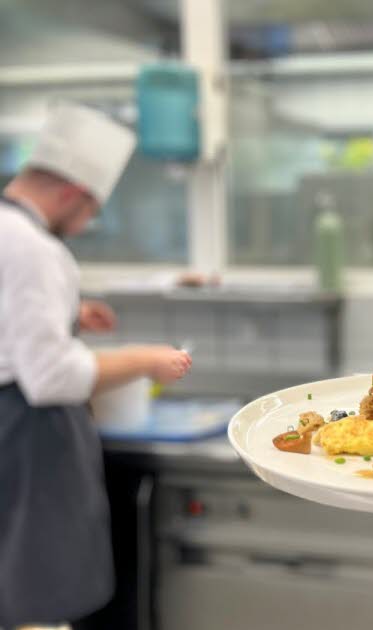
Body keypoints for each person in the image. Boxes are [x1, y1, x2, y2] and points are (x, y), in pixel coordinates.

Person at [0, 102, 193, 627]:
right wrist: (146, 359)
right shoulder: (34, 248)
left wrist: (72, 313)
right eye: (89, 213)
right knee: (36, 602)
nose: (85, 226)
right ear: (71, 194)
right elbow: (49, 377)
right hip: (25, 440)